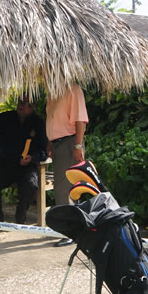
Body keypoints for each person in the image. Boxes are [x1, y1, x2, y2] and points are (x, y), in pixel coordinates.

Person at [46, 84, 88, 246]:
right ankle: (72, 228)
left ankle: (70, 231)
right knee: (63, 187)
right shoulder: (53, 91)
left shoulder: (73, 89)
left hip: (69, 142)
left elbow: (80, 120)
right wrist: (50, 142)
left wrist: (77, 145)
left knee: (65, 188)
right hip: (58, 143)